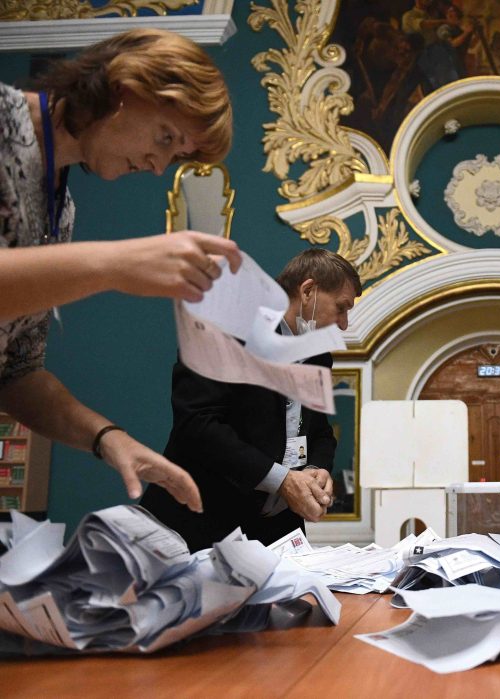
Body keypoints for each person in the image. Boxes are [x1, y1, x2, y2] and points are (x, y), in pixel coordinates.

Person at [0, 29, 241, 514]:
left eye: (175, 155)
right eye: (165, 137)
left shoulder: (59, 210)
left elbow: (17, 370)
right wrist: (115, 264)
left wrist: (108, 439)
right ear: (124, 87)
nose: (158, 166)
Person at [140, 249, 361, 551]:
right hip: (200, 526)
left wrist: (316, 469)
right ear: (308, 291)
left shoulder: (318, 355)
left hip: (277, 532)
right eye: (341, 307)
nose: (344, 323)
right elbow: (197, 425)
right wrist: (282, 481)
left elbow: (319, 430)